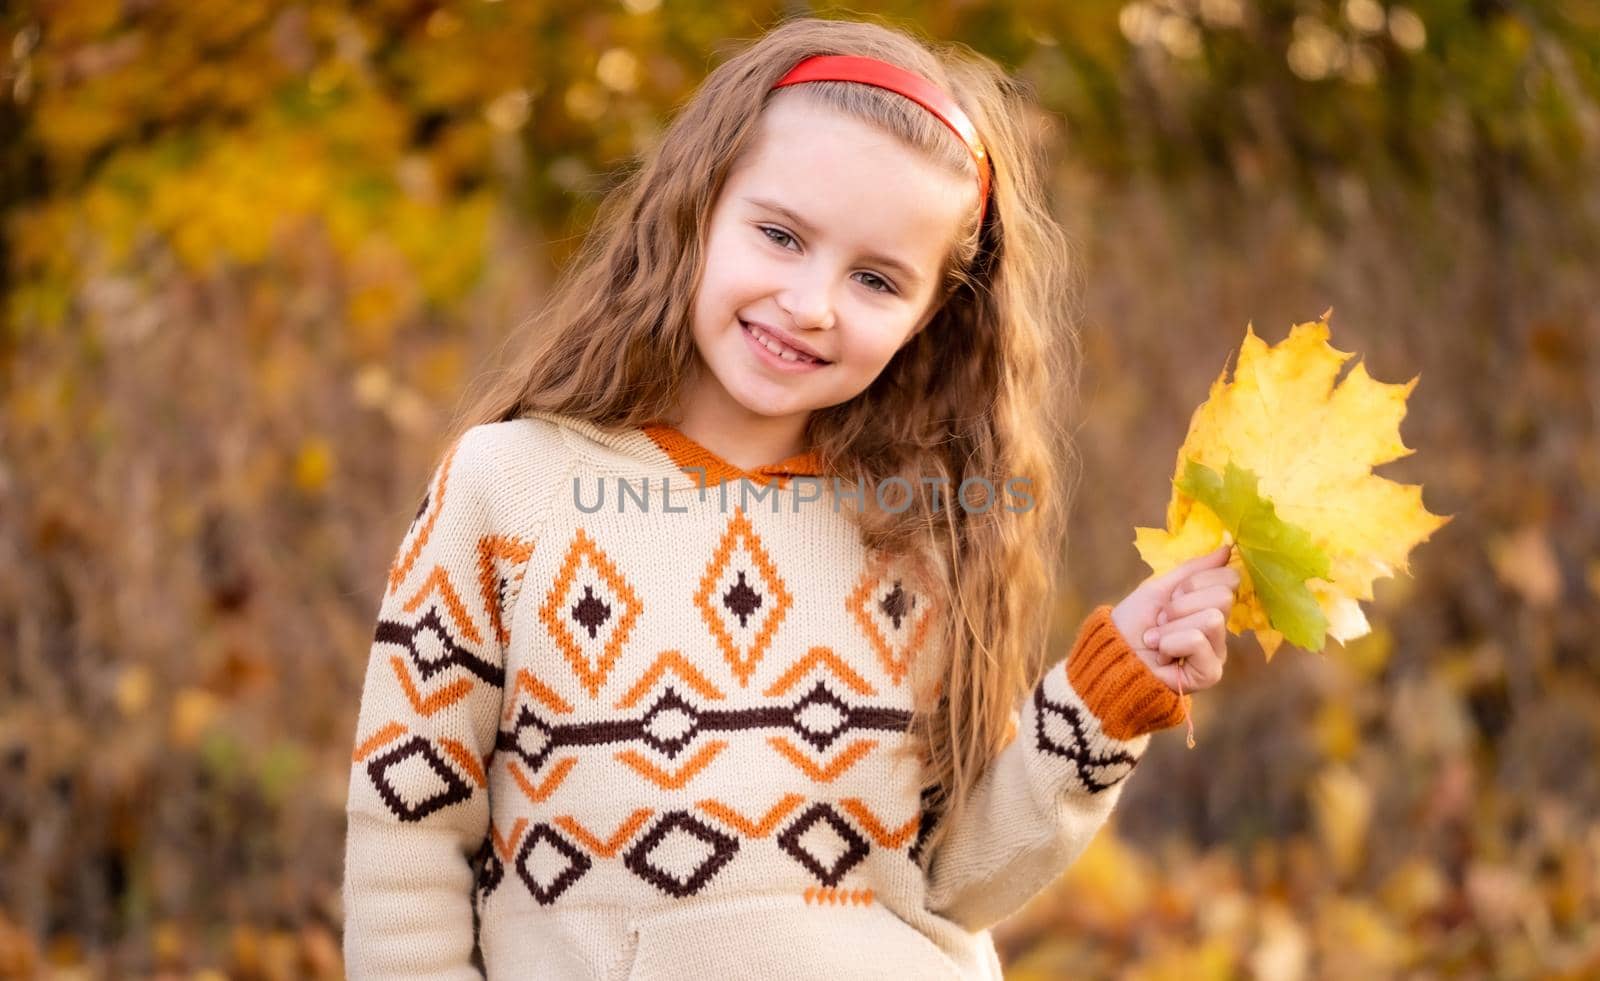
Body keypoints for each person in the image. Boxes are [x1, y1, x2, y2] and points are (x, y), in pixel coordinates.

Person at [341, 14, 1239, 980]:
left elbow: (951, 881)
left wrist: (1102, 702)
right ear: (698, 207)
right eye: (779, 234)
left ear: (929, 316)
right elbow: (408, 835)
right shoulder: (509, 490)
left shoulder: (919, 523)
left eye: (876, 279)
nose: (813, 304)